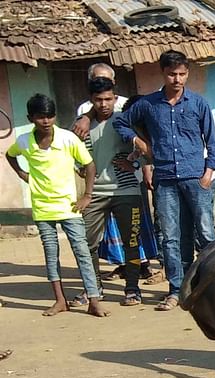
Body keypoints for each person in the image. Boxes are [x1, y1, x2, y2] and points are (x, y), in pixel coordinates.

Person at [115, 50, 215, 312]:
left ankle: (212, 287)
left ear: (187, 73)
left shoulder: (198, 103)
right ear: (163, 73)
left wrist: (208, 173)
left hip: (196, 178)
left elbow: (212, 141)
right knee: (171, 238)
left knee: (206, 234)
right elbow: (120, 120)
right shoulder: (149, 104)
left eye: (182, 74)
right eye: (172, 73)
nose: (177, 79)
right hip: (165, 181)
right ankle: (177, 290)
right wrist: (138, 141)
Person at [5, 94, 106, 318]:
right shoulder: (23, 141)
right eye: (41, 117)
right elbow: (10, 156)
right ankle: (60, 300)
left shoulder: (68, 138)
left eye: (50, 116)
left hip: (70, 207)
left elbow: (89, 165)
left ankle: (94, 300)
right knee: (51, 255)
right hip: (42, 208)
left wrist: (87, 196)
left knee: (82, 253)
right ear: (31, 118)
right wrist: (24, 175)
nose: (46, 121)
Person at [80, 77, 145, 306]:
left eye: (108, 99)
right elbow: (74, 156)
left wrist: (135, 164)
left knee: (132, 242)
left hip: (126, 190)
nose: (104, 104)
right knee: (86, 244)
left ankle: (133, 289)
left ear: (115, 99)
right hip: (94, 193)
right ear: (91, 100)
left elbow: (147, 148)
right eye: (98, 100)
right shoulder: (81, 126)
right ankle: (93, 289)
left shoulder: (124, 122)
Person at [71, 63, 127, 139]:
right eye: (98, 79)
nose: (102, 82)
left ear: (113, 82)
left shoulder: (125, 104)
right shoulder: (84, 108)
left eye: (106, 80)